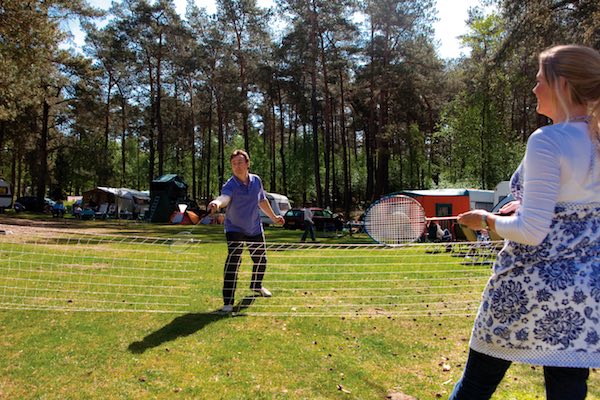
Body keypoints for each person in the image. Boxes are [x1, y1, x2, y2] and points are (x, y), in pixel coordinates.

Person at [451, 45, 600, 399]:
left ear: (561, 84)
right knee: (567, 390)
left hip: (526, 287)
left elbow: (532, 232)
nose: (534, 90)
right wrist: (524, 204)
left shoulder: (547, 140)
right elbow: (575, 211)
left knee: (476, 385)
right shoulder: (596, 141)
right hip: (584, 293)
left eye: (539, 81)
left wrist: (485, 220)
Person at [208, 149, 285, 313]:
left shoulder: (256, 180)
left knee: (261, 259)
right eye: (234, 164)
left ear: (247, 164)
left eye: (240, 162)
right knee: (234, 261)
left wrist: (273, 217)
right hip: (234, 227)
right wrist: (216, 203)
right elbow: (224, 198)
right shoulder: (230, 185)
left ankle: (256, 286)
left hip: (254, 227)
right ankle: (228, 303)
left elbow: (262, 201)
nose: (237, 166)